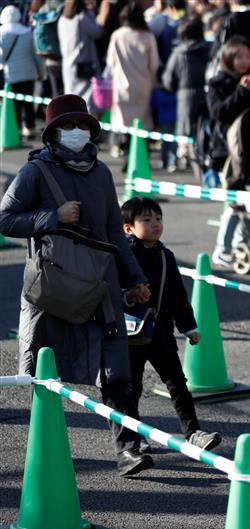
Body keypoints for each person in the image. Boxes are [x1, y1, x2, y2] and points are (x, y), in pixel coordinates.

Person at [0, 94, 153, 476]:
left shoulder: (101, 172)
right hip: (52, 287)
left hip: (100, 284)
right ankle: (46, 450)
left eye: (83, 125)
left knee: (116, 371)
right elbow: (5, 219)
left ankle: (128, 449)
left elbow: (114, 234)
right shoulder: (36, 171)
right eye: (68, 126)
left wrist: (135, 279)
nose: (76, 132)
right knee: (43, 371)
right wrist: (53, 217)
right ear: (52, 133)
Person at [120, 197, 223, 453]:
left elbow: (178, 296)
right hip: (132, 332)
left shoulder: (166, 255)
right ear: (128, 228)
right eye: (146, 220)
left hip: (161, 331)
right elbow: (110, 290)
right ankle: (133, 438)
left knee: (177, 382)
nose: (155, 224)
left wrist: (189, 327)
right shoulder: (124, 256)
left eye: (158, 218)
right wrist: (129, 296)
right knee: (132, 387)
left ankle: (193, 432)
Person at [206, 36, 250, 266]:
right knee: (235, 201)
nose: (244, 61)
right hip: (227, 151)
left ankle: (239, 245)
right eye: (239, 56)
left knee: (248, 200)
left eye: (248, 56)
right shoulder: (217, 83)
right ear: (228, 57)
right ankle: (222, 248)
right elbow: (219, 113)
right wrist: (243, 92)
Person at [106, 2, 160, 149]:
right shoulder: (148, 36)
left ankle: (123, 149)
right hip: (143, 84)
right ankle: (140, 151)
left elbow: (110, 62)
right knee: (141, 121)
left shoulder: (117, 35)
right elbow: (154, 64)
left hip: (122, 84)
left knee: (123, 121)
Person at [162, 16, 210, 172]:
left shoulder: (178, 53)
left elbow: (168, 80)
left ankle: (188, 160)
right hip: (207, 94)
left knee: (186, 132)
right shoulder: (209, 49)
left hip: (185, 96)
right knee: (205, 129)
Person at [0, 5, 45, 139]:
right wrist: (41, 72)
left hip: (10, 75)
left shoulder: (2, 33)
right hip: (29, 73)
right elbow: (36, 55)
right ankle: (30, 128)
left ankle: (17, 128)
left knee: (14, 104)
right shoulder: (27, 32)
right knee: (28, 102)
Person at [58, 0, 108, 111]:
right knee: (86, 101)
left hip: (68, 65)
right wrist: (93, 13)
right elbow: (97, 32)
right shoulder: (81, 19)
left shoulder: (62, 20)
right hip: (85, 65)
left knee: (71, 98)